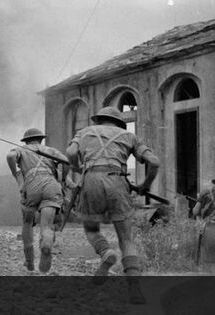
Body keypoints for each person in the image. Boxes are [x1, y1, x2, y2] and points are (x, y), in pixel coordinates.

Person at [66, 106, 160, 304]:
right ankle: (135, 290)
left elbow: (71, 152)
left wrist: (76, 166)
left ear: (99, 121)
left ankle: (105, 252)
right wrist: (145, 185)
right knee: (126, 239)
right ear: (118, 123)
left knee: (91, 229)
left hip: (90, 180)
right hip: (117, 180)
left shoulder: (84, 132)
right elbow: (154, 162)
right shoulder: (128, 136)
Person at [6, 128, 67, 273]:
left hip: (32, 185)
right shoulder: (50, 150)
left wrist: (17, 175)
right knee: (46, 226)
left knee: (27, 222)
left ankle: (29, 262)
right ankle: (46, 243)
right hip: (51, 186)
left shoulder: (21, 149)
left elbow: (10, 156)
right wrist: (62, 179)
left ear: (26, 140)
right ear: (40, 139)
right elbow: (67, 162)